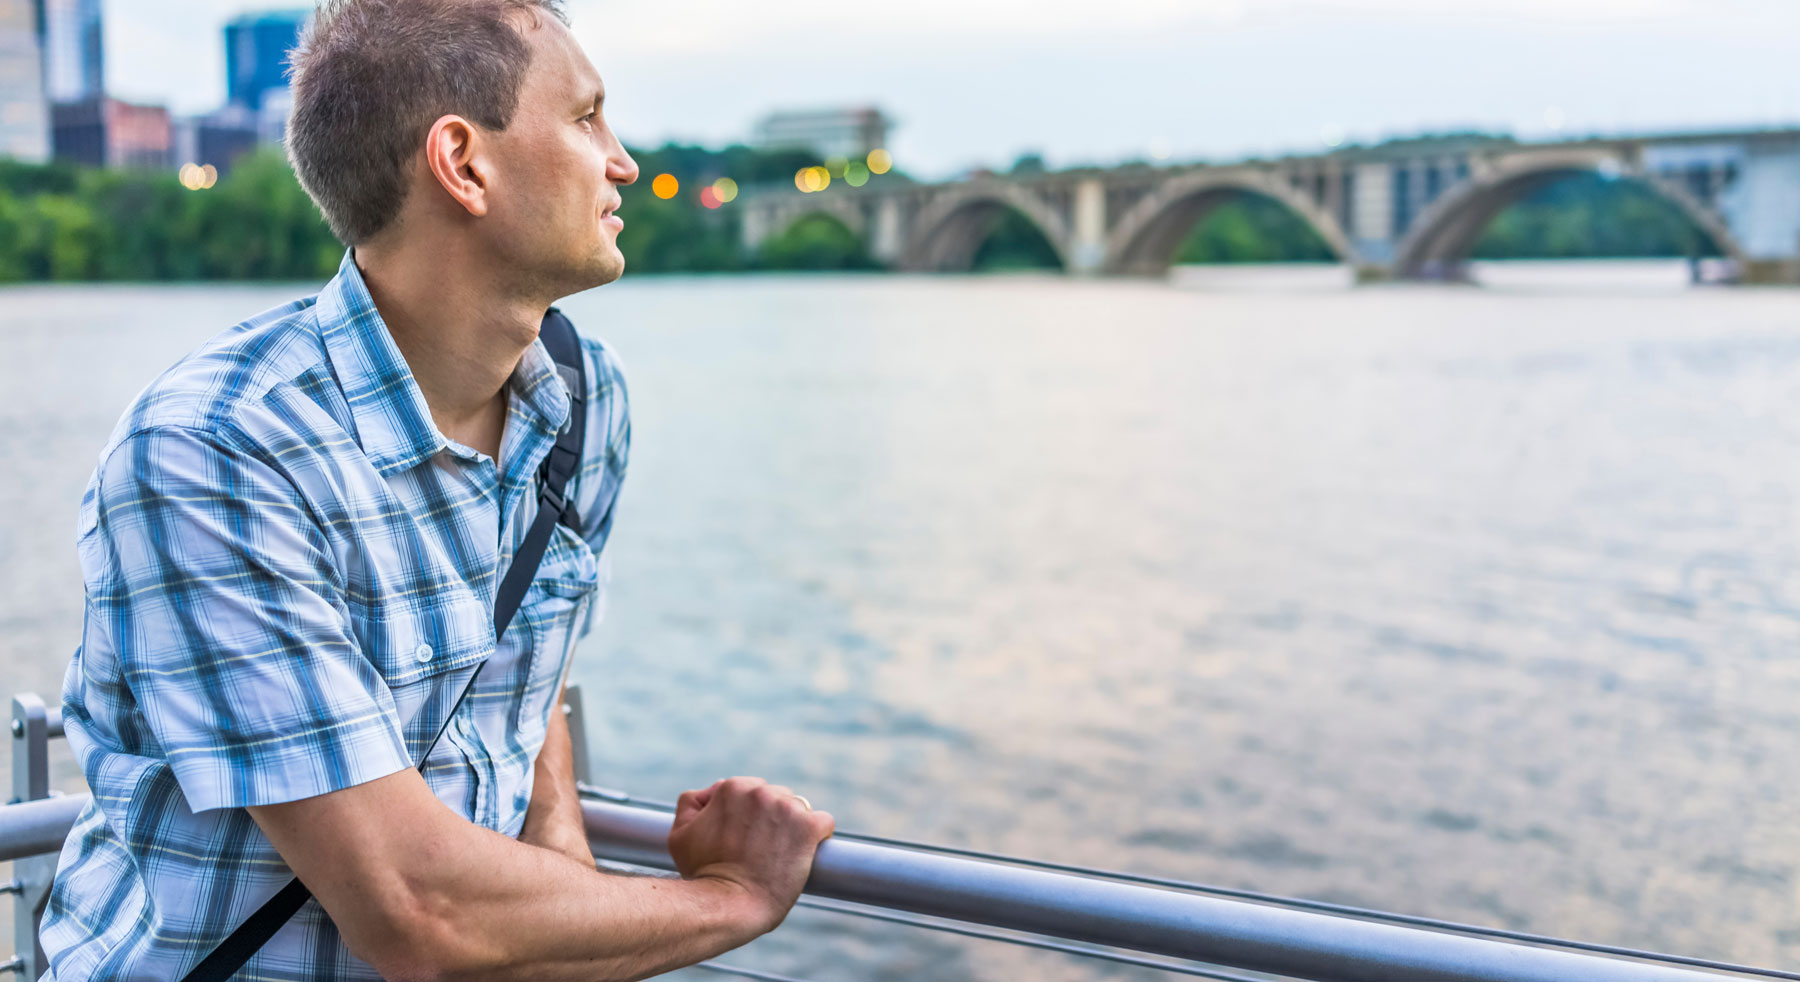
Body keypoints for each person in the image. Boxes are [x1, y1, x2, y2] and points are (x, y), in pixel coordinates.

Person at [38, 1, 834, 978]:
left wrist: (565, 864)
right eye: (586, 118)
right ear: (463, 163)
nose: (622, 161)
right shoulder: (216, 453)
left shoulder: (584, 402)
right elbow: (418, 914)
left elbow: (519, 678)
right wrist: (735, 898)